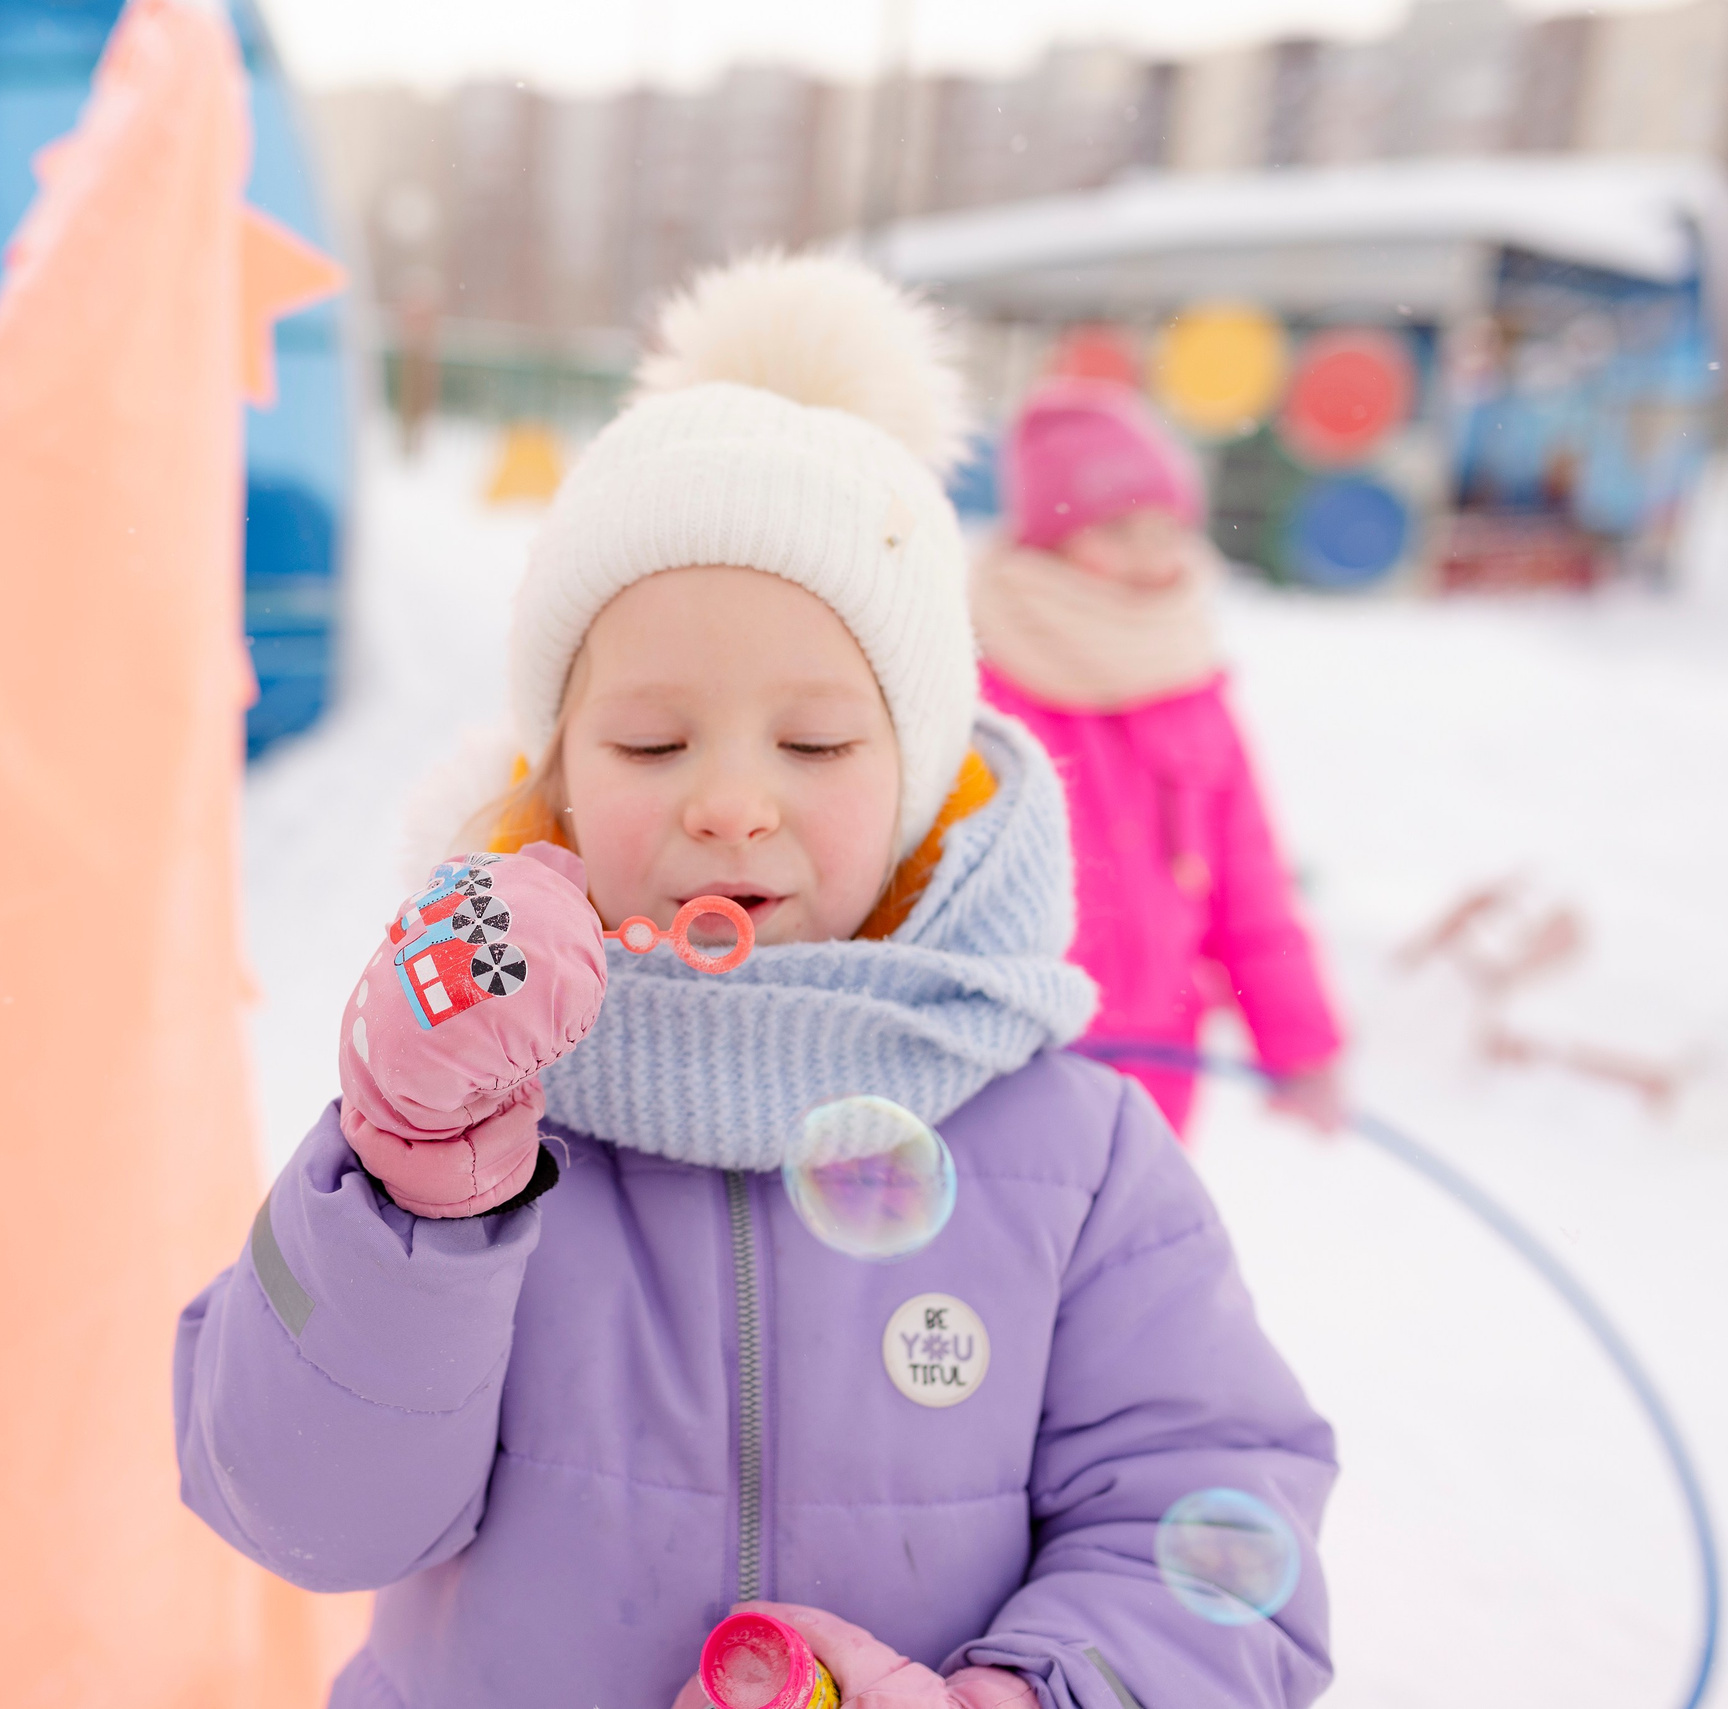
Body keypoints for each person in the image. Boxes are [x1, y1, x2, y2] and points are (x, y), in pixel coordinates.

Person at [175, 256, 1336, 1709]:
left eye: (817, 745)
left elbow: (1207, 1518)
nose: (729, 802)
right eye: (655, 743)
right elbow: (304, 1510)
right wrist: (411, 1179)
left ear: (919, 782)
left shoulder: (1078, 1156)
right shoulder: (468, 1109)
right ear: (556, 776)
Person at [971, 379, 1346, 1138]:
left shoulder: (1189, 686)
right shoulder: (983, 686)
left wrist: (1301, 1041)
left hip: (1158, 1071)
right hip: (1006, 1072)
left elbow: (1249, 884)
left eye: (1164, 530)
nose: (1150, 558)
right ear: (1049, 540)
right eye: (1116, 534)